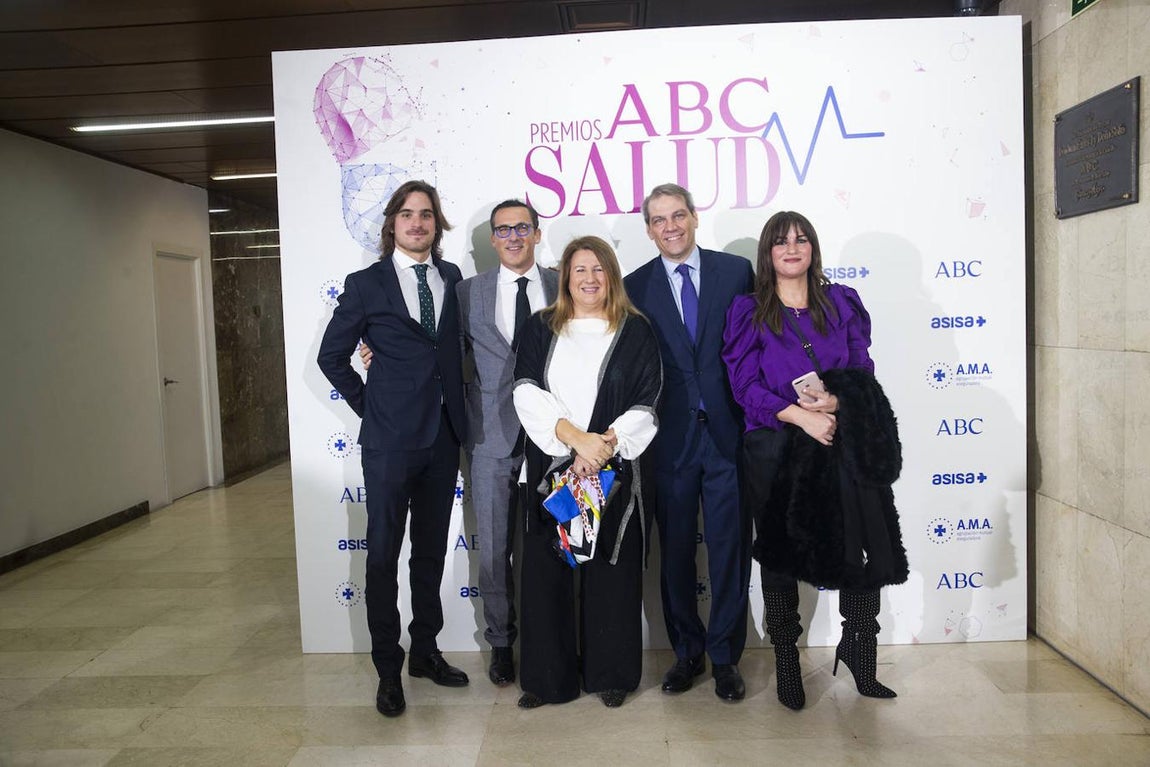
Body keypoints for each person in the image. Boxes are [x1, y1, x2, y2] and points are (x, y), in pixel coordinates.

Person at [721, 210, 907, 711]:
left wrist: (837, 403)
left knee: (859, 545)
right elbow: (744, 386)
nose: (792, 248)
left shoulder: (841, 302)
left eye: (801, 239)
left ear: (812, 248)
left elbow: (861, 367)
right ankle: (786, 657)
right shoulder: (748, 311)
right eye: (781, 241)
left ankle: (861, 652)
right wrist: (801, 418)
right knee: (780, 552)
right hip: (777, 448)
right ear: (768, 252)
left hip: (840, 442)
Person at [317, 180, 470, 719]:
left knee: (429, 553)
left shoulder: (452, 278)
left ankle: (426, 651)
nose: (418, 223)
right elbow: (331, 357)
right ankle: (388, 669)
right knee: (383, 557)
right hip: (388, 445)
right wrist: (372, 407)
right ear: (392, 224)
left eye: (427, 214)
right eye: (407, 214)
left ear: (437, 222)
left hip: (444, 438)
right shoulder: (365, 284)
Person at [512, 235, 662, 709]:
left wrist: (603, 446)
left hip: (613, 470)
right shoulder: (540, 328)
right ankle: (546, 680)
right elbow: (525, 390)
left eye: (599, 269)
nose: (590, 278)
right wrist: (575, 441)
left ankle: (611, 675)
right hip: (551, 470)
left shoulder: (636, 330)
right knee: (545, 574)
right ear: (565, 278)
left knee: (611, 576)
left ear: (611, 275)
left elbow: (649, 399)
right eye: (580, 270)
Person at [623, 183, 755, 701]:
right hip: (668, 442)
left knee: (729, 551)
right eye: (659, 220)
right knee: (674, 553)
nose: (670, 227)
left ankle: (725, 657)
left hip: (728, 437)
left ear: (695, 218)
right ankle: (686, 654)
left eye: (678, 216)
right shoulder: (633, 287)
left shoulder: (735, 272)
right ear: (649, 228)